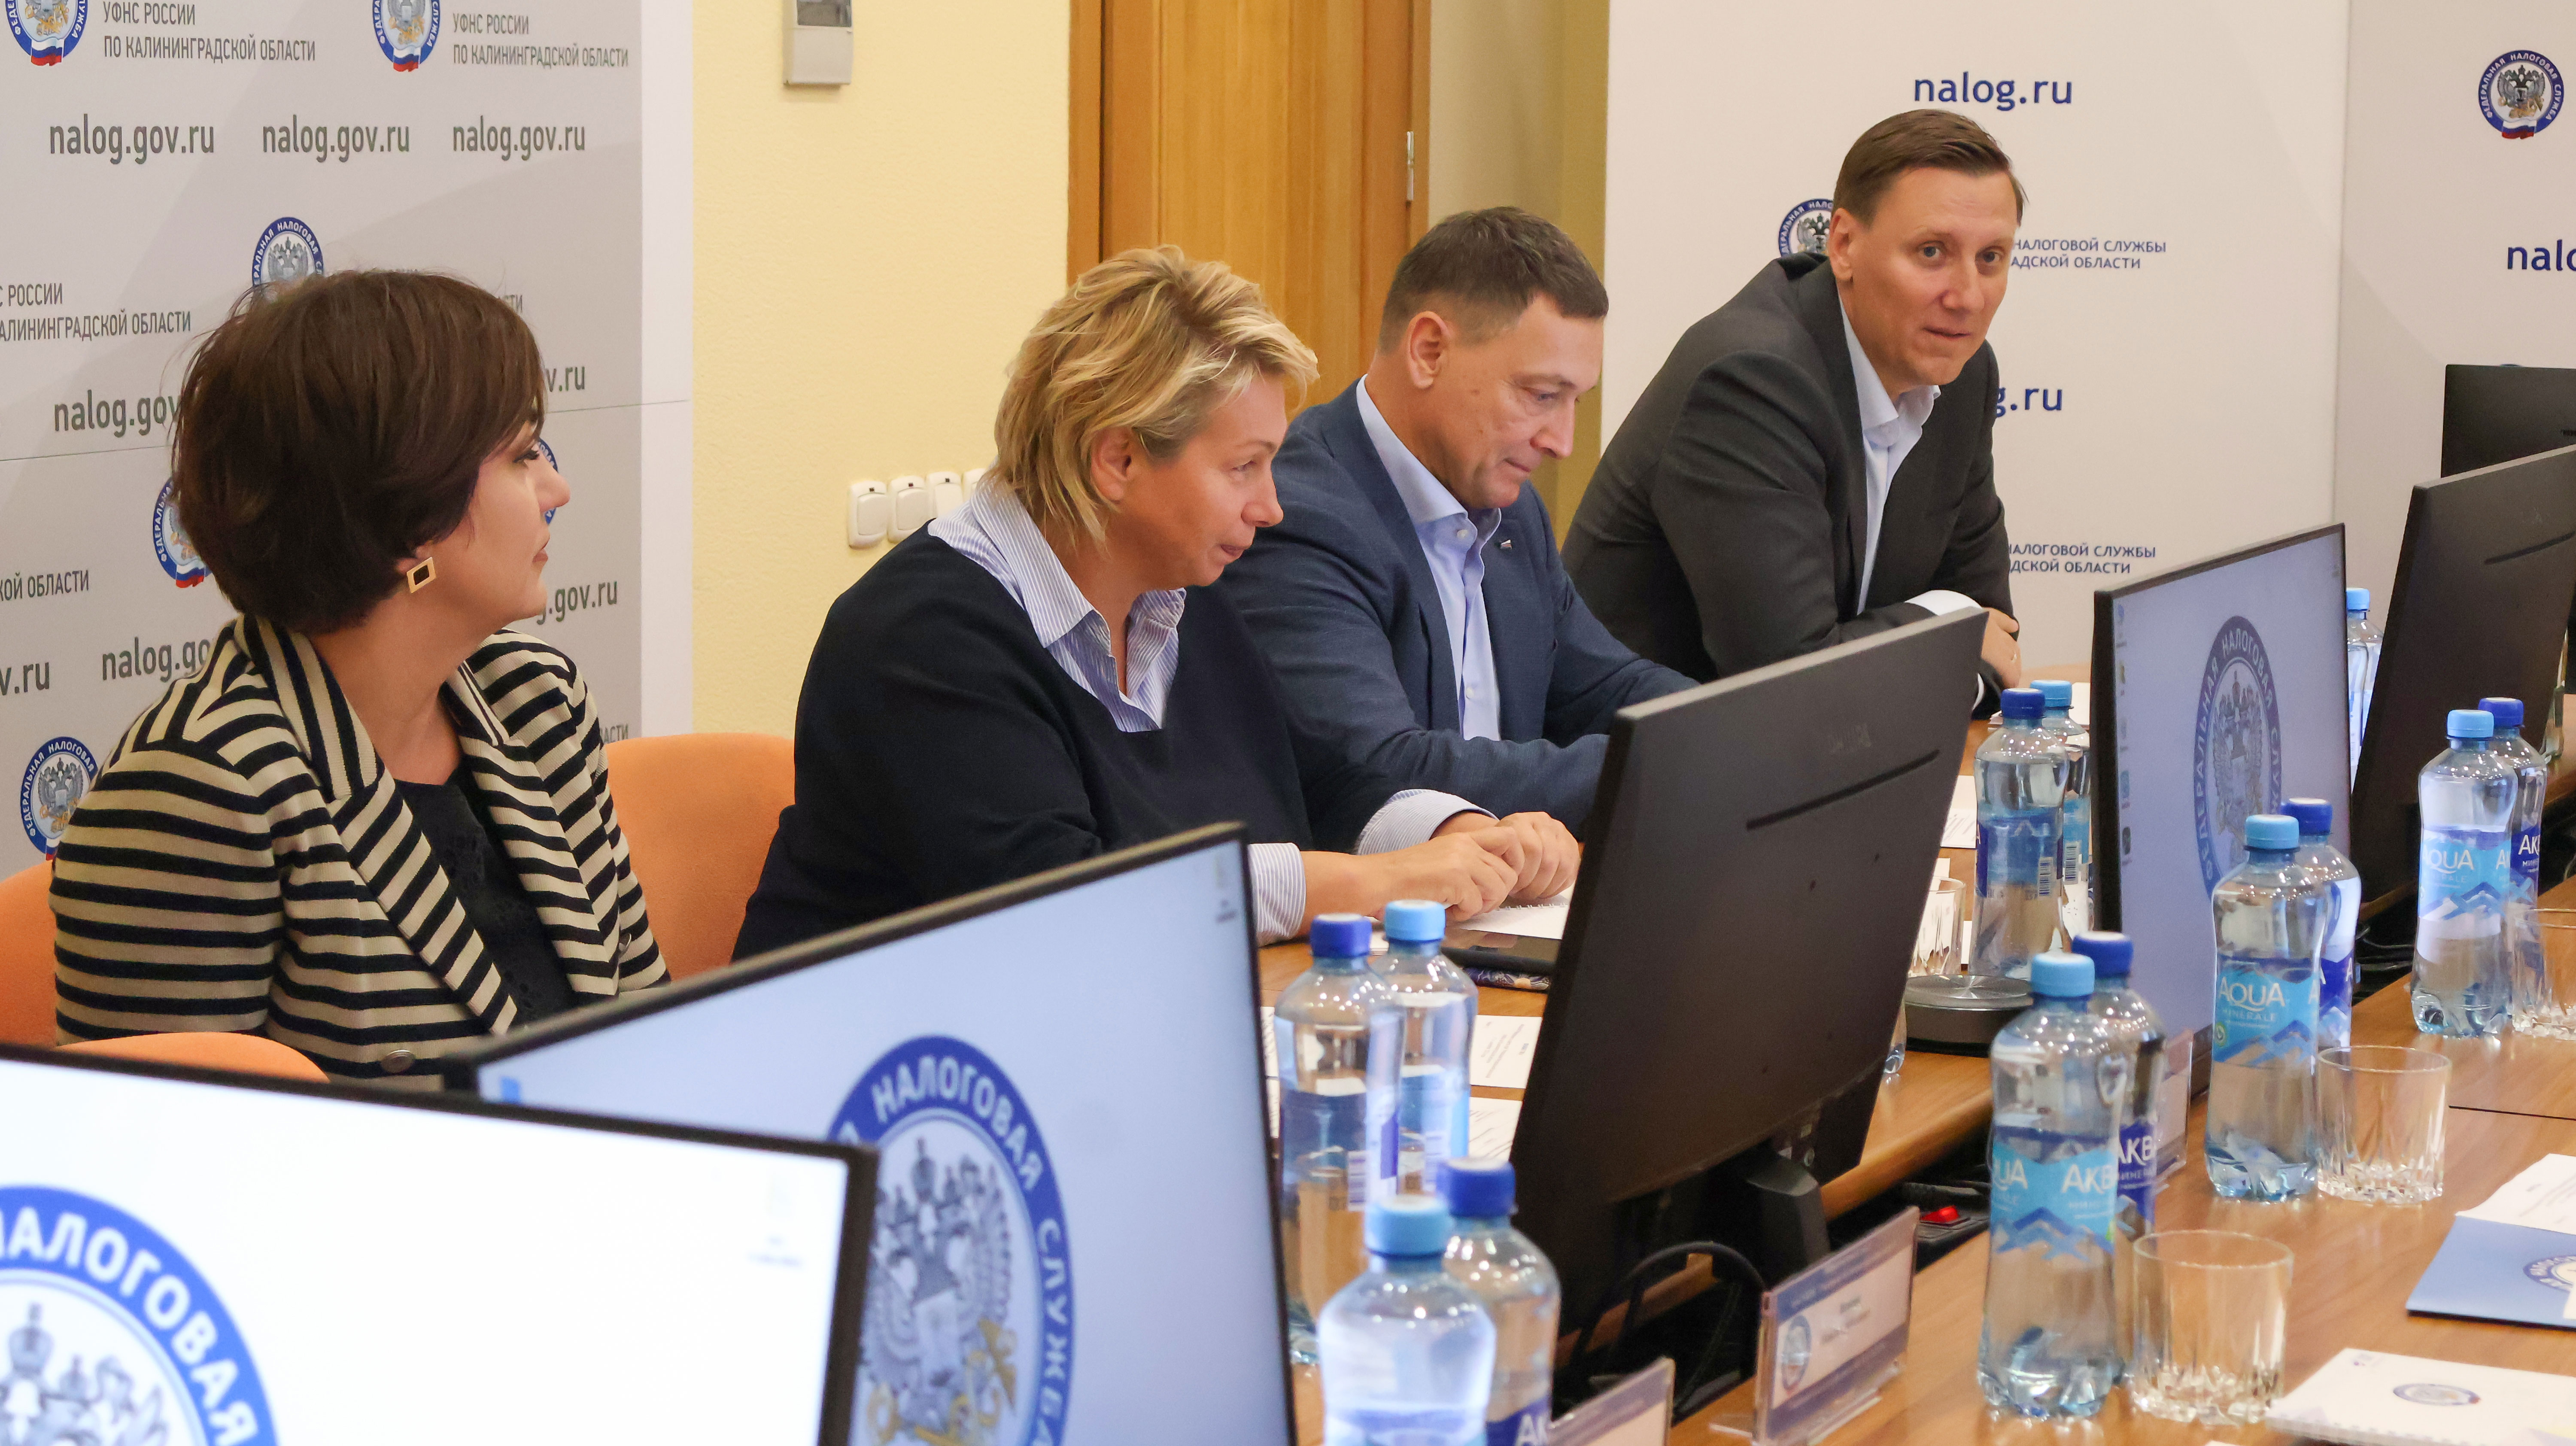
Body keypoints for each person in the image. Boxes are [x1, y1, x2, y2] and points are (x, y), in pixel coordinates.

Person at [735, 248, 1578, 957]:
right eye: (1243, 468)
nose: (1271, 507)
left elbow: (1317, 782)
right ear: (1119, 461)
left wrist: (1452, 835)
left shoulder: (1177, 600)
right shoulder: (921, 639)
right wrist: (1366, 884)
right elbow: (1067, 908)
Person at [50, 271, 663, 1086]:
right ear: (411, 520)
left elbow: (653, 1034)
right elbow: (154, 1153)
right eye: (522, 457)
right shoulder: (198, 790)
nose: (558, 489)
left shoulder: (537, 699)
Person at [1221, 209, 1695, 830]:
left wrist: (1730, 728)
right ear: (1429, 352)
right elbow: (1381, 769)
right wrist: (1665, 765)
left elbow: (1606, 687)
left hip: (1512, 880)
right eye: (1542, 396)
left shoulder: (1510, 510)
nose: (1562, 442)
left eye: (1575, 401)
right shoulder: (1299, 515)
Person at [1565, 109, 2027, 702]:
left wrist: (1950, 646)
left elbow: (1996, 633)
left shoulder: (1963, 374)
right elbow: (1787, 679)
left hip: (1824, 746)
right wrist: (1945, 635)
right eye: (1932, 252)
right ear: (1844, 245)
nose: (1967, 297)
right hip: (1647, 747)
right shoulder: (1753, 382)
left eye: (1991, 258)